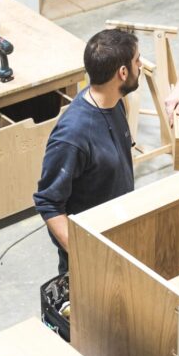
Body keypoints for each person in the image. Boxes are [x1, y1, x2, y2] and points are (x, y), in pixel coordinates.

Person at [34, 29, 140, 274]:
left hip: (119, 236)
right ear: (122, 73)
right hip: (91, 258)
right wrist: (86, 256)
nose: (140, 66)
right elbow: (48, 203)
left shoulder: (115, 103)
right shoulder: (72, 136)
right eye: (137, 61)